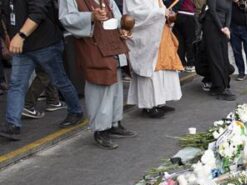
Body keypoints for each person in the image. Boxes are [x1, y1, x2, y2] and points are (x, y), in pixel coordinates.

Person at [0, 0, 86, 141]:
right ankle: (12, 125)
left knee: (60, 80)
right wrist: (9, 36)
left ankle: (76, 111)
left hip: (45, 44)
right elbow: (7, 14)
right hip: (22, 48)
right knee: (16, 85)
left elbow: (37, 12)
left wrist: (20, 36)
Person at [59, 0, 136, 149]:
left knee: (116, 83)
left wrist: (122, 28)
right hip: (92, 44)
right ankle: (101, 130)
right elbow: (66, 19)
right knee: (99, 84)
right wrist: (90, 17)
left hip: (112, 42)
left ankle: (114, 123)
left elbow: (115, 15)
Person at [124, 0, 183, 117]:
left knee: (163, 70)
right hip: (147, 38)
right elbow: (134, 14)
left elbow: (161, 9)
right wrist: (161, 12)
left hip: (161, 35)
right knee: (150, 73)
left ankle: (160, 102)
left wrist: (168, 15)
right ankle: (148, 106)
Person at [172, 0, 197, 72]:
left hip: (177, 15)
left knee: (180, 41)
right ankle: (191, 64)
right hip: (188, 14)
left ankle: (181, 63)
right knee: (190, 40)